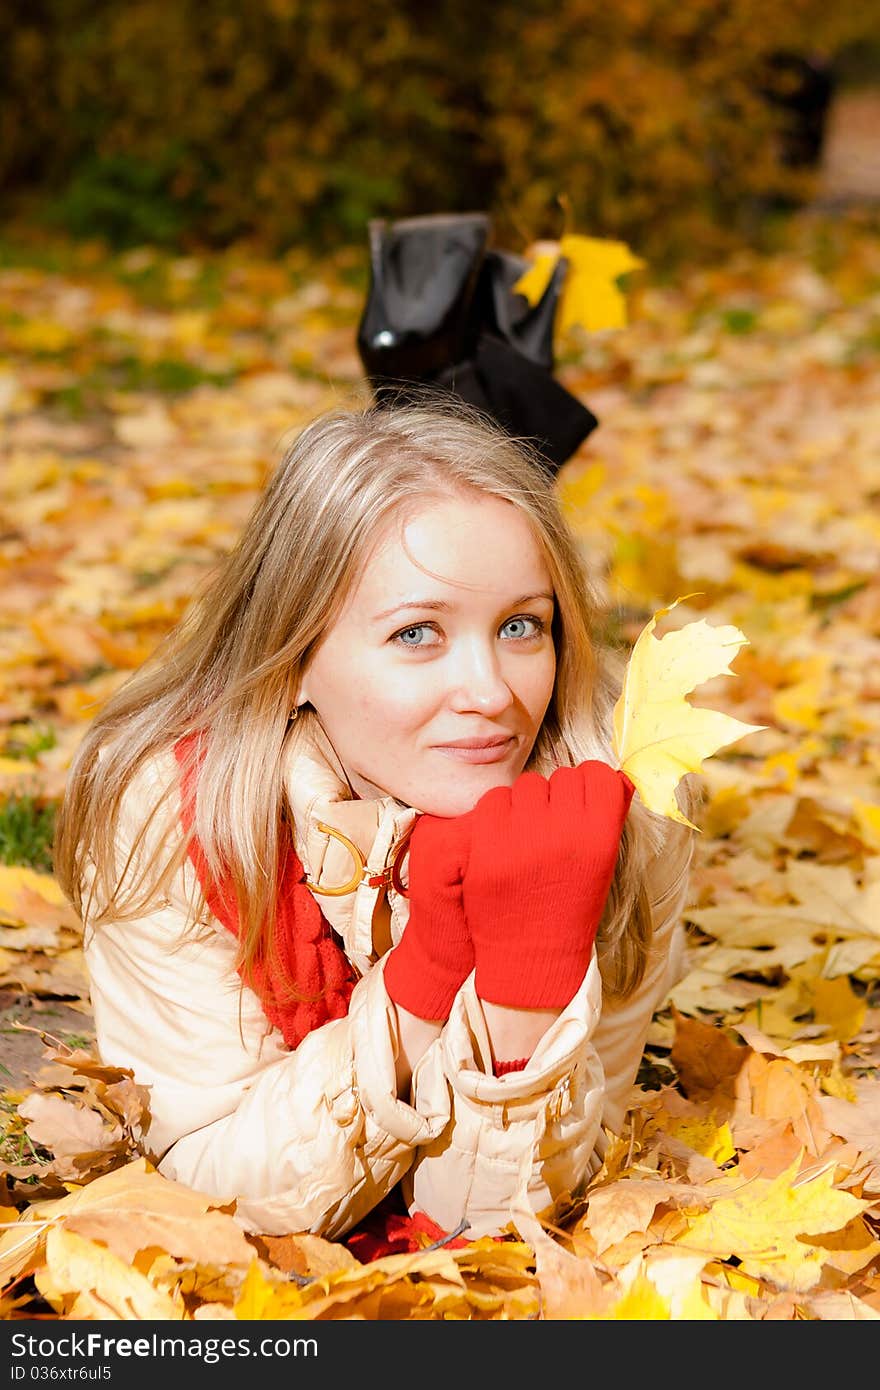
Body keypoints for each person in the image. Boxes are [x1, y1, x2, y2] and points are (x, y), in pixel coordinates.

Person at [54, 395, 695, 1245]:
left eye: (519, 626)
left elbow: (510, 1229)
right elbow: (204, 1181)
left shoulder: (625, 806)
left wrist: (523, 993)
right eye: (417, 634)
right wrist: (425, 979)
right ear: (293, 659)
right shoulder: (175, 811)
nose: (492, 693)